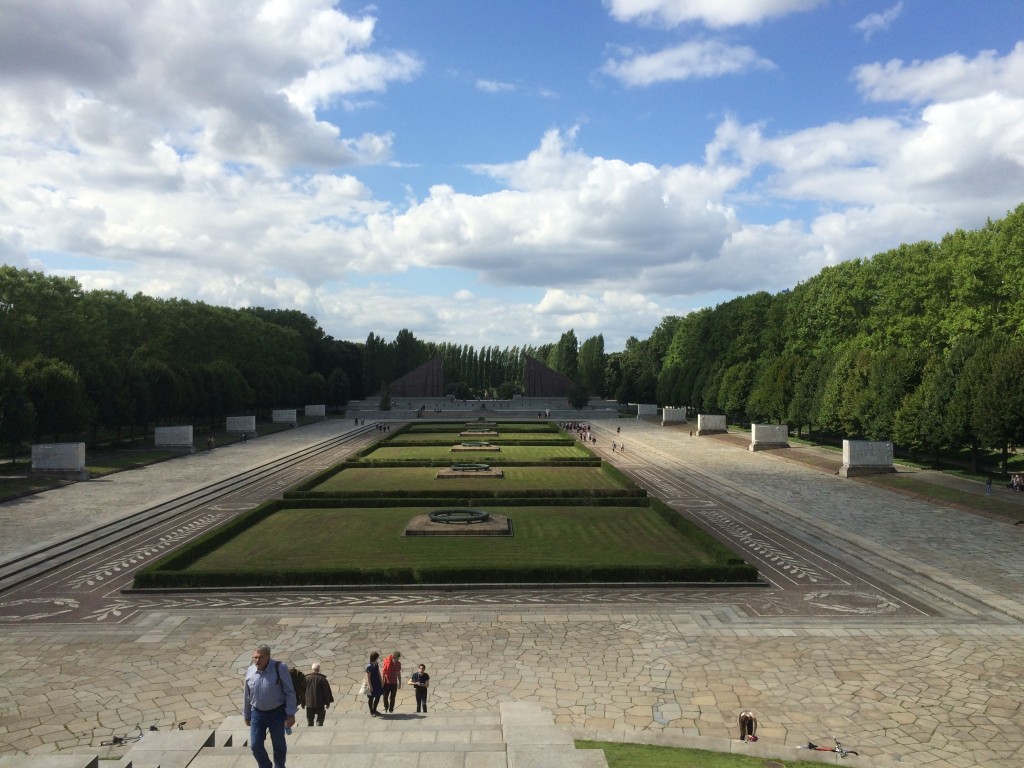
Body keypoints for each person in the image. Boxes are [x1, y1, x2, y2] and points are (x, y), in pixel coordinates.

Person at [243, 644, 297, 768]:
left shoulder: (280, 668)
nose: (257, 660)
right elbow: (247, 694)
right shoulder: (251, 670)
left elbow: (289, 691)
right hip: (257, 713)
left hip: (276, 713)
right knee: (255, 745)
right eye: (255, 657)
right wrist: (247, 714)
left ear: (268, 656)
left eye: (260, 657)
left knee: (279, 745)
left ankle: (279, 766)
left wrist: (290, 714)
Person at [304, 662, 334, 727]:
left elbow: (302, 691)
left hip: (309, 703)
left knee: (310, 720)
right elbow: (326, 692)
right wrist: (327, 703)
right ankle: (318, 729)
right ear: (318, 669)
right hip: (320, 703)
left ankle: (310, 730)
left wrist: (303, 702)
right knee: (320, 719)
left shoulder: (306, 678)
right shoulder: (322, 679)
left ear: (312, 669)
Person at [365, 652, 383, 716]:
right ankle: (371, 711)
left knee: (378, 696)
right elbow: (368, 677)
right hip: (372, 684)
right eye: (377, 657)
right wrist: (370, 686)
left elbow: (378, 673)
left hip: (377, 683)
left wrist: (381, 681)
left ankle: (375, 709)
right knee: (371, 698)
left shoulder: (376, 664)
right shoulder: (369, 667)